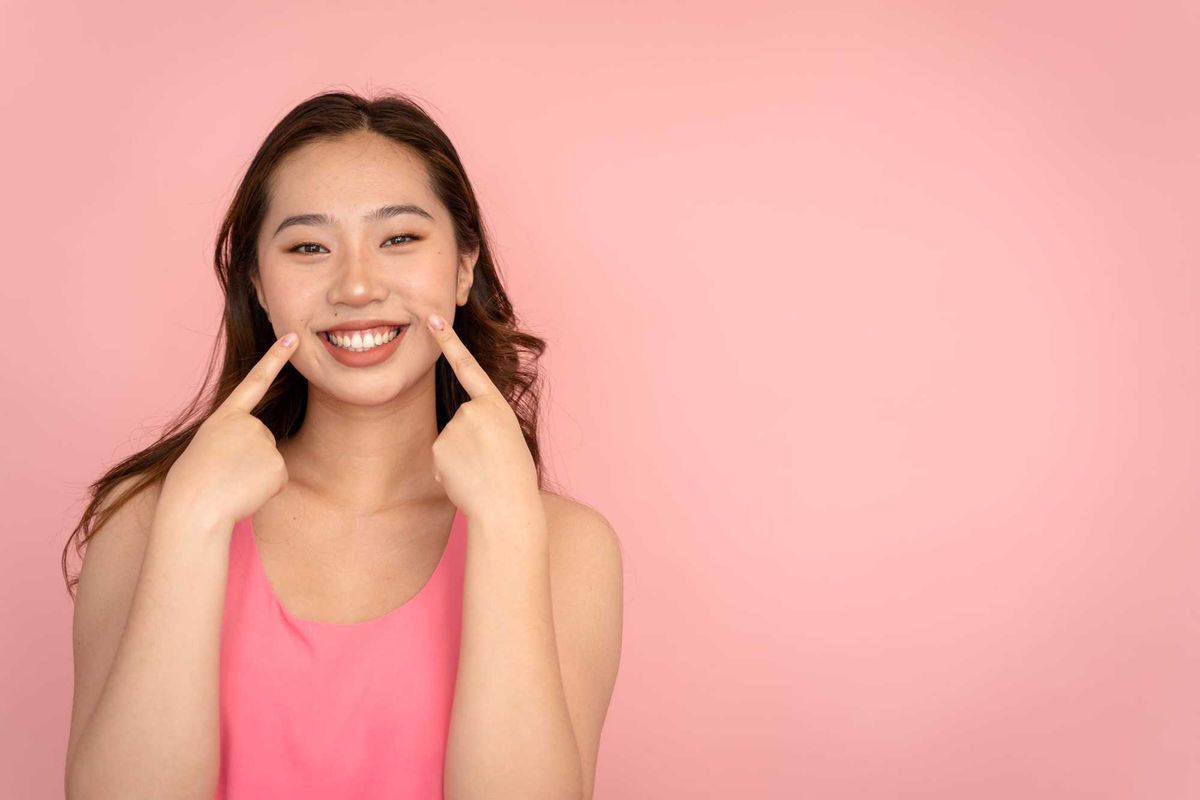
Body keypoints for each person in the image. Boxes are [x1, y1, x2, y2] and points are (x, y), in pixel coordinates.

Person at [62, 90, 624, 799]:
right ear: (259, 287)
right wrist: (191, 525)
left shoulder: (569, 547)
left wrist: (508, 527)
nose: (356, 286)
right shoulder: (144, 518)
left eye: (399, 239)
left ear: (463, 268)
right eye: (307, 248)